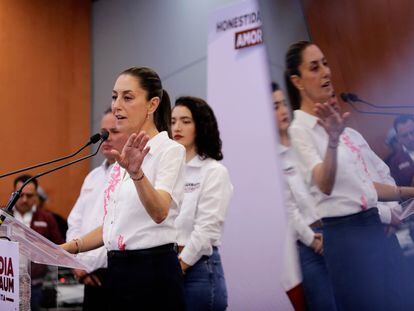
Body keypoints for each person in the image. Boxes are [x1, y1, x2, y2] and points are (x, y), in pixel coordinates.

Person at [285, 41, 412, 310]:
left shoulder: (335, 123)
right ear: (297, 81)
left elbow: (365, 186)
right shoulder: (300, 129)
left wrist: (409, 192)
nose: (326, 72)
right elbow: (325, 184)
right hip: (346, 236)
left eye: (326, 63)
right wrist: (332, 140)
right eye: (314, 67)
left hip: (373, 227)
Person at [62, 66, 186, 310]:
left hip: (152, 273)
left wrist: (137, 173)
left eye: (127, 97)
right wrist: (63, 250)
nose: (117, 105)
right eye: (114, 96)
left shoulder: (170, 151)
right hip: (117, 271)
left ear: (152, 105)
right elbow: (111, 226)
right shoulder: (123, 158)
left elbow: (160, 212)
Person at [273, 82, 337, 311]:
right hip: (307, 244)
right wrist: (312, 239)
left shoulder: (302, 141)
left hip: (333, 229)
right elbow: (286, 210)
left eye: (282, 104)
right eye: (274, 106)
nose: (282, 110)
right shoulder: (271, 158)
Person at [171, 96, 233, 311]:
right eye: (173, 121)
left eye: (185, 121)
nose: (177, 127)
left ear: (200, 126)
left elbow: (206, 230)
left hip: (198, 269)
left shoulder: (214, 171)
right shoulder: (167, 170)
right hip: (168, 266)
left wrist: (179, 266)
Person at [66, 108, 129, 310]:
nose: (106, 138)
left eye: (114, 131)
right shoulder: (92, 176)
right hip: (86, 272)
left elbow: (118, 228)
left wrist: (88, 264)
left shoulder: (131, 174)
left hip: (112, 272)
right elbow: (74, 221)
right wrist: (75, 261)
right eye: (103, 132)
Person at [12, 174, 63, 311]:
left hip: (37, 286)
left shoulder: (47, 218)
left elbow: (60, 246)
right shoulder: (3, 216)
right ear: (14, 195)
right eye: (20, 195)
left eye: (29, 196)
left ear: (36, 196)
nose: (24, 200)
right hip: (8, 284)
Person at [389, 115, 414, 186]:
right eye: (405, 135)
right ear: (398, 138)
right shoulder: (395, 162)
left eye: (412, 132)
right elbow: (398, 191)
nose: (411, 138)